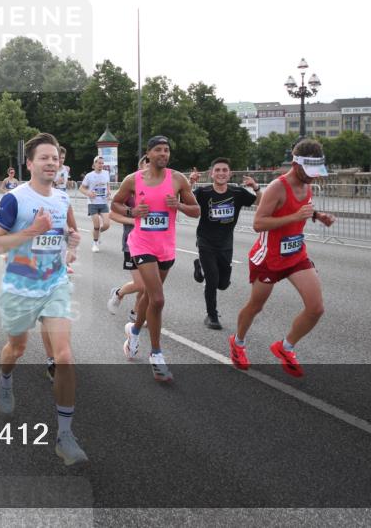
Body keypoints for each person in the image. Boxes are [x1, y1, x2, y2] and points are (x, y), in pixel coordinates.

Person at [0, 133, 86, 466]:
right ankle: (5, 379)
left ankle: (65, 435)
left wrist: (72, 245)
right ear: (29, 164)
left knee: (65, 357)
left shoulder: (62, 199)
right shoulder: (15, 199)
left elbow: (70, 236)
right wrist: (32, 230)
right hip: (19, 289)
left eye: (55, 158)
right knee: (16, 349)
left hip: (55, 284)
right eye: (43, 158)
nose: (51, 163)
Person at [229, 139, 336, 378]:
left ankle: (285, 347)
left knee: (316, 308)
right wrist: (295, 216)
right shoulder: (278, 187)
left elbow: (303, 209)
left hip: (296, 255)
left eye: (316, 172)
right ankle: (238, 342)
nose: (314, 177)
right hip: (269, 257)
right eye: (310, 172)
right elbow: (258, 223)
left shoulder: (307, 185)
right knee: (256, 306)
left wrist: (319, 216)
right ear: (296, 164)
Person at [111, 136, 199, 382]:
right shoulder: (133, 179)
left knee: (149, 296)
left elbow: (197, 211)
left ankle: (134, 332)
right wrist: (132, 211)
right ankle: (157, 355)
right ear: (148, 154)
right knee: (158, 299)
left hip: (165, 247)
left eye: (167, 150)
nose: (163, 154)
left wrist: (179, 206)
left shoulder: (178, 179)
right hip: (141, 244)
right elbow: (115, 204)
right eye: (158, 150)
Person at [188, 158, 261, 330]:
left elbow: (259, 201)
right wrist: (190, 183)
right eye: (217, 170)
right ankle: (212, 316)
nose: (221, 173)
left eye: (224, 170)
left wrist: (256, 187)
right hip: (206, 241)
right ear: (211, 173)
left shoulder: (238, 192)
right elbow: (186, 201)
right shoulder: (203, 192)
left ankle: (199, 266)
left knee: (223, 283)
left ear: (230, 174)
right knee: (212, 280)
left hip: (226, 244)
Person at [107, 156, 149, 319]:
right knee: (141, 284)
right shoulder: (131, 187)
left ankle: (136, 312)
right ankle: (118, 293)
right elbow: (112, 214)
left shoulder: (160, 187)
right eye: (147, 164)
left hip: (152, 243)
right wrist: (133, 219)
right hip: (131, 242)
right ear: (140, 167)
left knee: (148, 286)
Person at [80, 156, 112, 253]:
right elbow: (81, 188)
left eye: (102, 163)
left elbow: (107, 184)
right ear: (94, 164)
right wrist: (88, 193)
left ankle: (97, 234)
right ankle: (95, 243)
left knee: (106, 224)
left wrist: (109, 192)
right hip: (92, 203)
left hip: (103, 202)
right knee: (97, 225)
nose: (101, 165)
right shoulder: (89, 176)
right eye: (99, 163)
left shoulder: (106, 173)